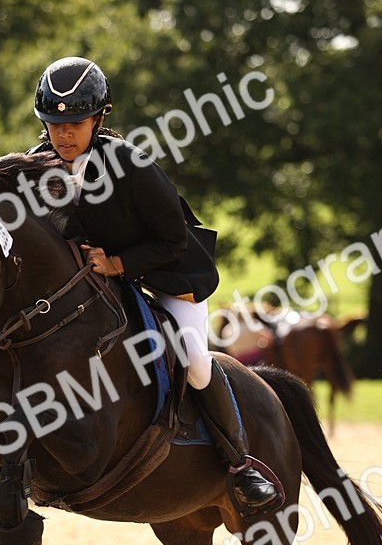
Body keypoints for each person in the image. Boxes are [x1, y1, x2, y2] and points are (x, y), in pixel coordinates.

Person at [29, 55, 280, 514]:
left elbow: (173, 238)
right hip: (93, 287)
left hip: (168, 275)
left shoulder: (131, 165)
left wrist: (119, 263)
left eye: (76, 124)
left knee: (195, 360)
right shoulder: (37, 166)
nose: (63, 135)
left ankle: (240, 466)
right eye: (52, 124)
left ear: (100, 118)